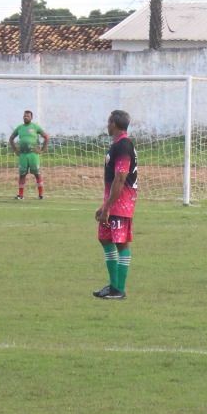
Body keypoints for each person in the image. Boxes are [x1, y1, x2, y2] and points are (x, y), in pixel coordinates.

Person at [93, 110, 137, 300]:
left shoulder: (124, 145)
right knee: (105, 238)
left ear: (114, 124)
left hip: (121, 202)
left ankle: (119, 289)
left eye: (109, 121)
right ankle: (113, 286)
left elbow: (120, 178)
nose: (107, 125)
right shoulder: (117, 145)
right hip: (113, 201)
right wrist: (104, 205)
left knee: (121, 243)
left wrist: (108, 207)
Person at [8, 110, 48, 199]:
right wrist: (15, 150)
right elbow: (11, 138)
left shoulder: (35, 127)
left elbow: (46, 137)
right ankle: (21, 195)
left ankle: (41, 195)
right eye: (24, 116)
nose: (25, 117)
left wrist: (42, 150)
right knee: (22, 175)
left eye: (27, 116)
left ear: (31, 118)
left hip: (33, 154)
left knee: (37, 174)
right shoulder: (20, 127)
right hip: (23, 155)